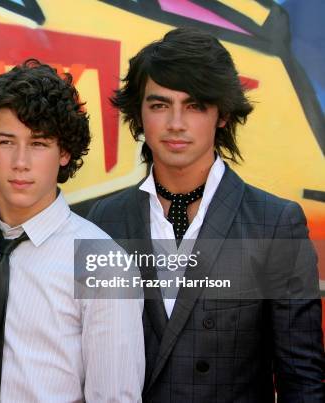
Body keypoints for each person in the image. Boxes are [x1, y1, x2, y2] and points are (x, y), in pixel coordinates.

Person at [88, 27, 325, 402]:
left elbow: (302, 379)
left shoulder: (275, 223)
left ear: (222, 114)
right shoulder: (105, 220)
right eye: (159, 105)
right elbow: (87, 360)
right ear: (139, 113)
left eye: (195, 105)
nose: (176, 123)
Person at [0, 60, 144, 402]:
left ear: (64, 152)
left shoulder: (104, 262)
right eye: (6, 142)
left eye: (38, 143)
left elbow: (114, 396)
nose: (21, 161)